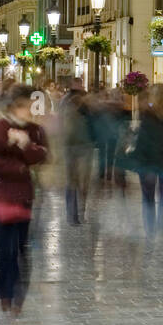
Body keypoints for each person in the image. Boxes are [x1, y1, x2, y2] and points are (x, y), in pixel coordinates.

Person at [0, 85, 48, 319]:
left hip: (25, 197)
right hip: (1, 196)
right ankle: (5, 294)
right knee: (4, 250)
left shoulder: (36, 130)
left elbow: (42, 155)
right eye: (25, 106)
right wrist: (21, 165)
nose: (30, 110)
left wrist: (25, 145)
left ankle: (18, 298)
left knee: (21, 249)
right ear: (14, 106)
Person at [129, 83, 163, 238]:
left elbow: (144, 139)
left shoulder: (147, 114)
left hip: (149, 159)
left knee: (148, 196)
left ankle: (150, 229)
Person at [59, 79, 94, 224]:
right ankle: (73, 215)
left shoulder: (85, 101)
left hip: (82, 146)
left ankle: (79, 213)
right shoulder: (67, 101)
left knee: (81, 183)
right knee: (73, 181)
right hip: (73, 145)